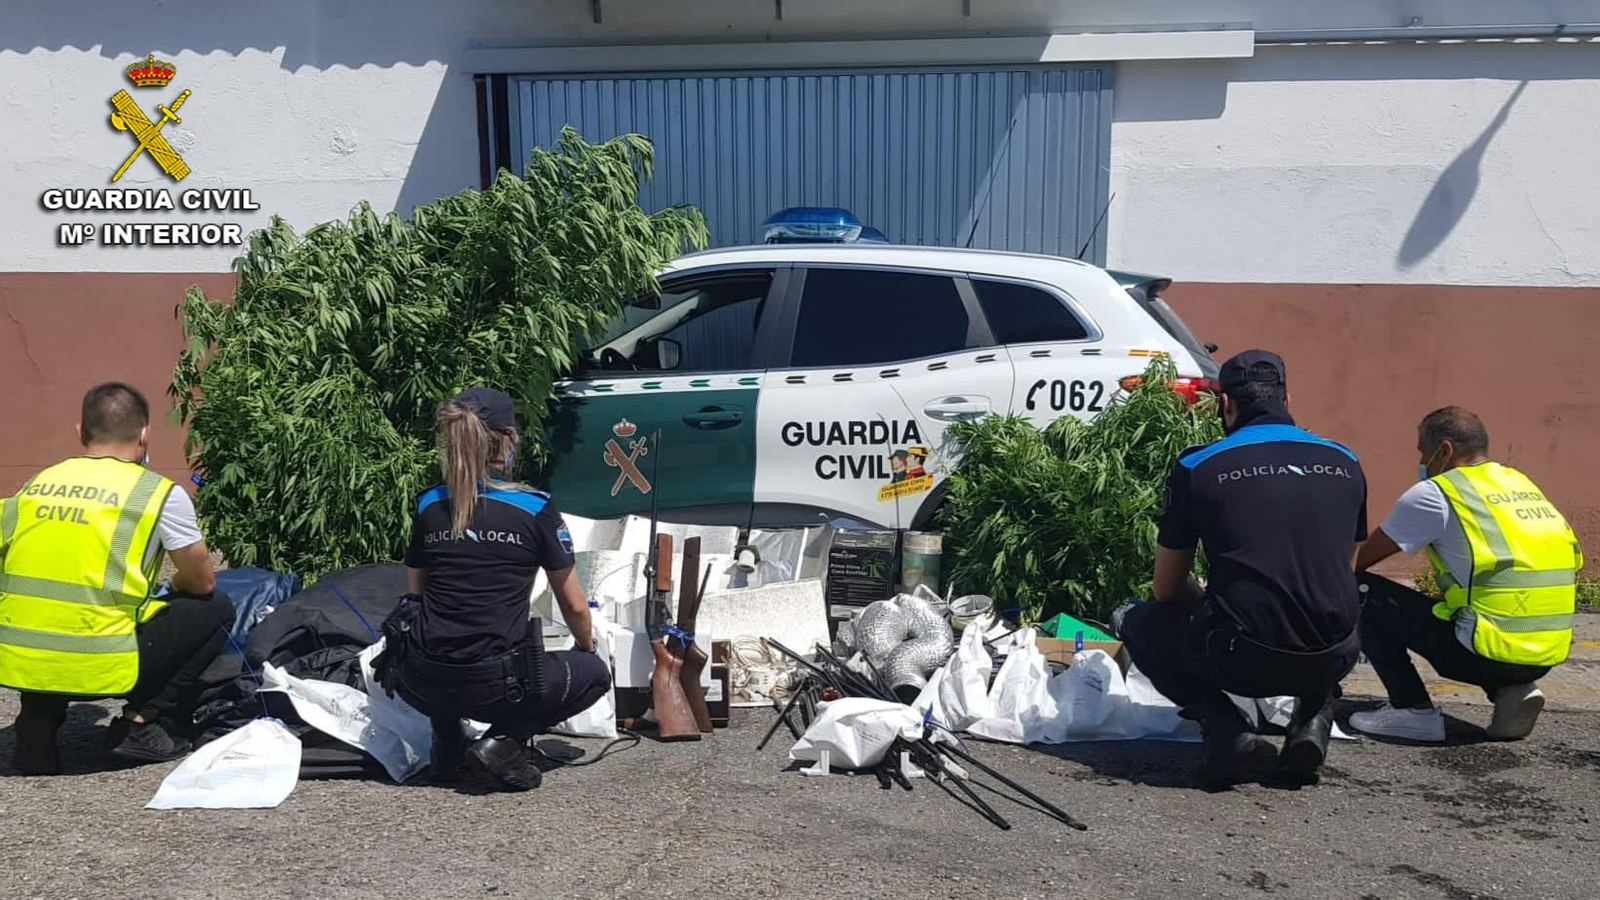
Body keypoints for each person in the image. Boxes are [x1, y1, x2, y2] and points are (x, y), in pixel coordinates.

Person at [1117, 350, 1367, 787]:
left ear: (1226, 406)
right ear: (1289, 401)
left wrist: (1213, 596)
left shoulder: (1198, 465)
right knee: (1318, 611)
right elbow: (1343, 571)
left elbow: (1168, 589)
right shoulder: (1346, 461)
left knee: (1140, 621)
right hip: (1335, 653)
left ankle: (1225, 726)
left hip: (1244, 658)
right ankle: (1313, 716)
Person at [384, 387, 609, 791]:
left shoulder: (428, 505)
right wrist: (586, 645)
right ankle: (501, 741)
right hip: (494, 686)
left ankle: (448, 745)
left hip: (421, 681)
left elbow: (415, 597)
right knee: (594, 674)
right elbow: (574, 605)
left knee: (439, 634)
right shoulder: (535, 508)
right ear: (507, 439)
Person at [1, 383, 232, 774]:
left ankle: (37, 726)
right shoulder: (156, 493)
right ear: (145, 434)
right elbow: (201, 582)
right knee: (217, 608)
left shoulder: (34, 486)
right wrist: (170, 587)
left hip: (20, 657)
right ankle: (140, 723)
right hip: (104, 660)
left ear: (80, 432)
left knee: (49, 614)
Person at [1351, 407, 1582, 743]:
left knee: (1360, 590)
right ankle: (1510, 688)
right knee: (1468, 602)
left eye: (1422, 452)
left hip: (1481, 653)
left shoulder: (1438, 493)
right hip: (1546, 654)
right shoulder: (1520, 483)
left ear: (1444, 451)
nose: (1421, 461)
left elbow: (1358, 561)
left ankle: (1412, 709)